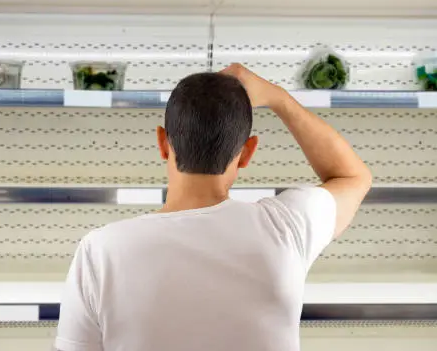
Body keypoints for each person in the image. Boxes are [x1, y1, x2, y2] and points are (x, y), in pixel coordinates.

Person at [54, 64, 372, 351]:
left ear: (163, 143)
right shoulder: (287, 227)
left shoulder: (100, 250)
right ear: (248, 153)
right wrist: (279, 99)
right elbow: (353, 176)